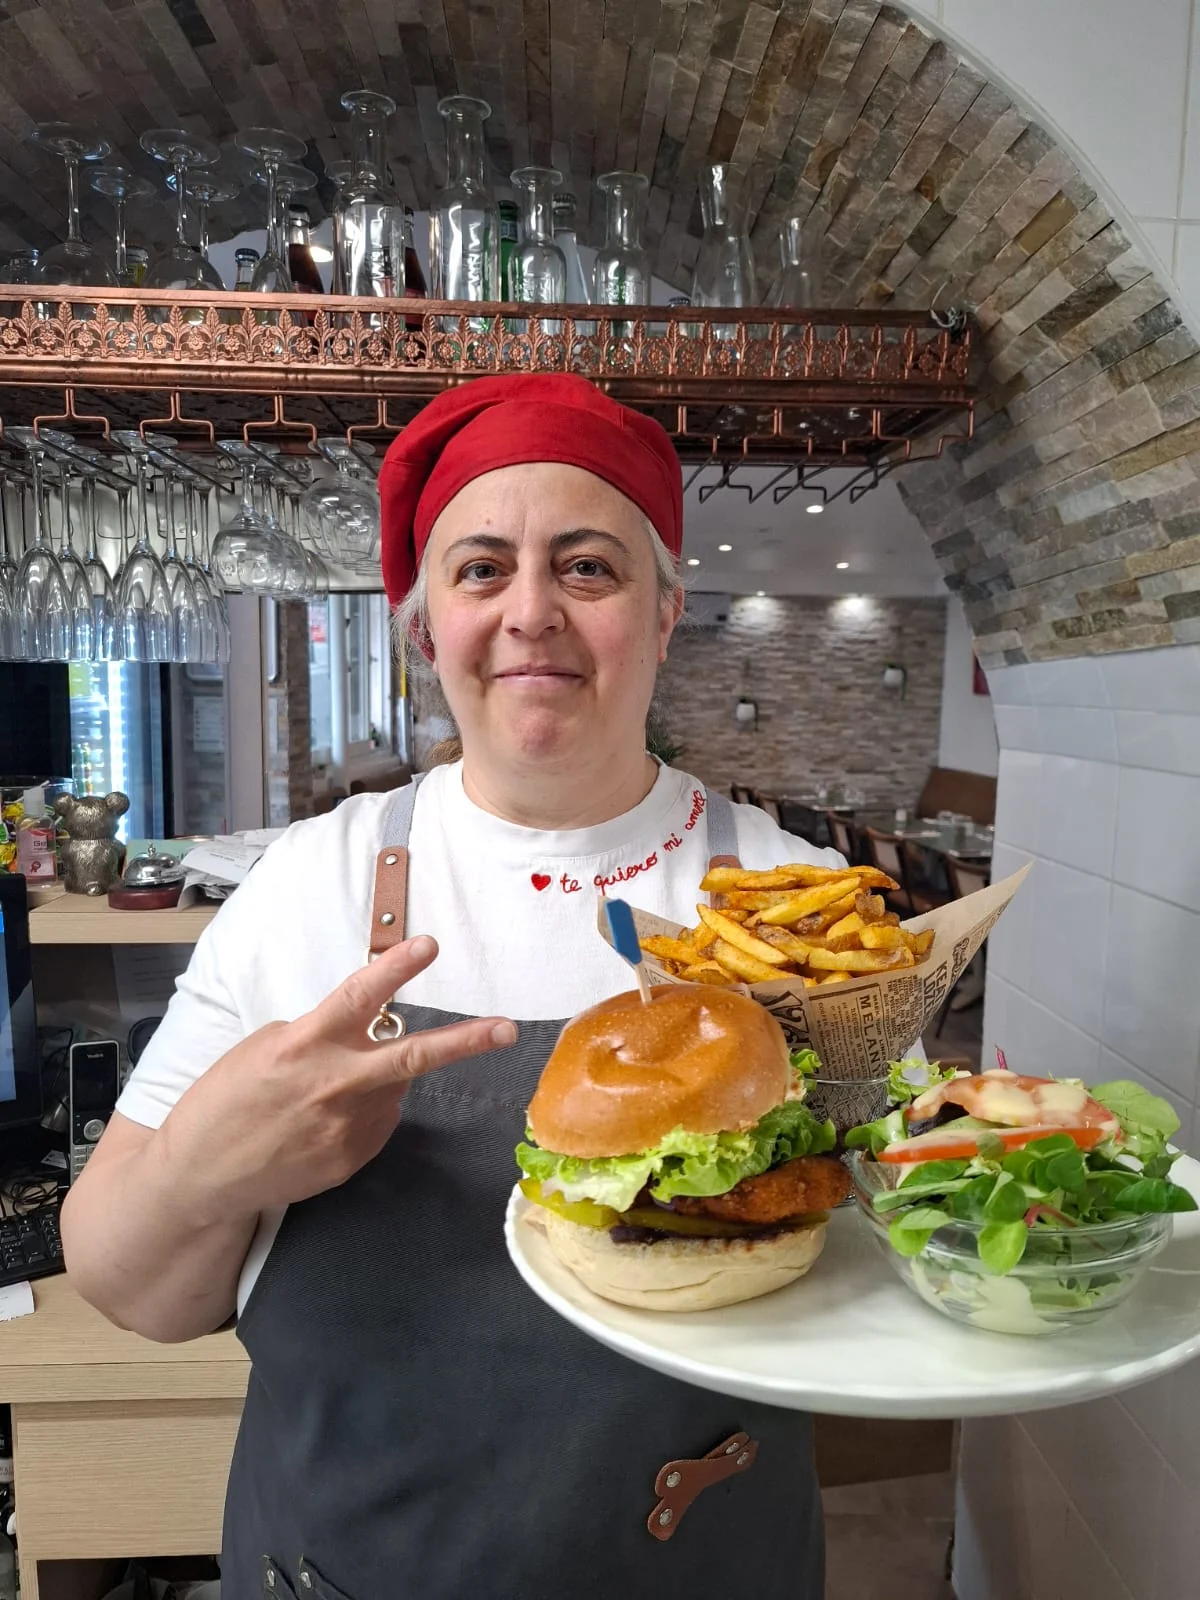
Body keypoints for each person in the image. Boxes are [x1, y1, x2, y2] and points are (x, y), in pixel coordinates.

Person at [63, 374, 845, 1600]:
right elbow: (127, 1284)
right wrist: (203, 1169)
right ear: (426, 628)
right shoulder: (308, 885)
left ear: (665, 612)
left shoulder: (806, 913)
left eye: (587, 567)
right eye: (482, 570)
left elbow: (894, 1266)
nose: (531, 611)